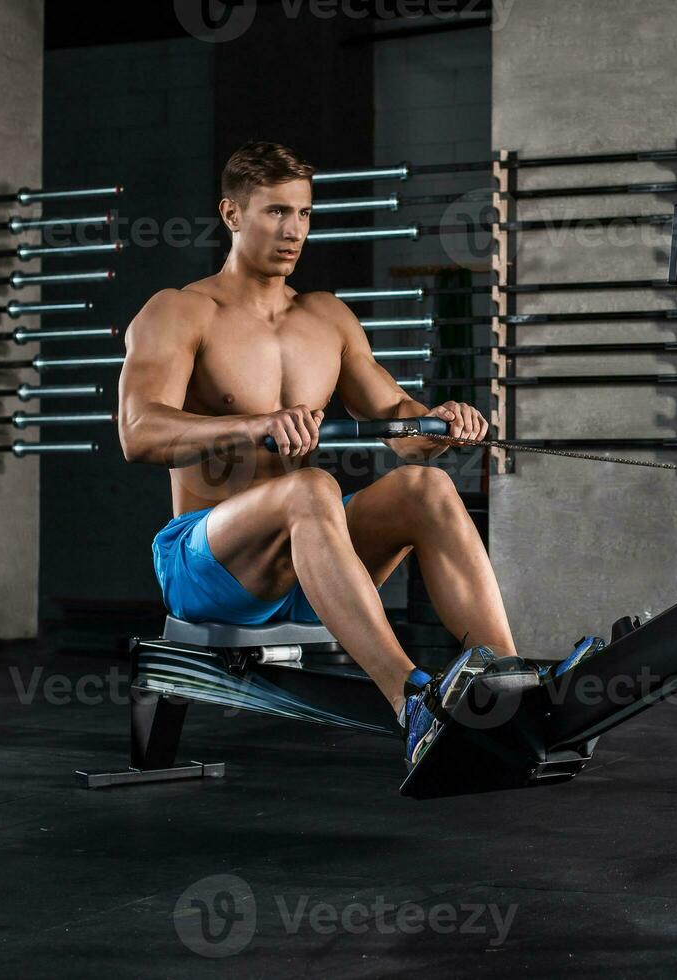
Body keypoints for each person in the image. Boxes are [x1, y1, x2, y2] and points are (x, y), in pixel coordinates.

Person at [117, 139, 533, 766]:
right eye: (276, 213)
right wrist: (254, 424)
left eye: (304, 214)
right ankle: (411, 703)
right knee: (312, 488)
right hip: (209, 564)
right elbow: (138, 431)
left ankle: (511, 687)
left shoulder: (326, 318)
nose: (294, 231)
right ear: (232, 215)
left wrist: (440, 421)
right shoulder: (180, 311)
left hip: (314, 565)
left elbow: (397, 422)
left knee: (426, 487)